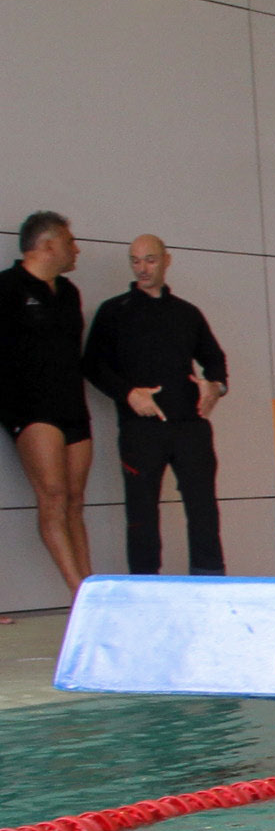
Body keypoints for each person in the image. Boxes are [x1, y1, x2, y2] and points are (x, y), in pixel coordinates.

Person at [85, 234, 229, 576]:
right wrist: (128, 394)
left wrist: (216, 387)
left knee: (204, 509)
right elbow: (92, 365)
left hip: (189, 424)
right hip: (141, 428)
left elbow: (215, 359)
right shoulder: (114, 311)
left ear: (167, 260)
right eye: (135, 261)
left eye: (150, 260)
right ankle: (145, 586)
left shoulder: (187, 313)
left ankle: (210, 584)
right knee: (141, 514)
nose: (142, 268)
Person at [0, 211, 93, 598]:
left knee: (74, 498)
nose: (76, 250)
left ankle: (92, 587)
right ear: (48, 244)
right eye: (70, 242)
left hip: (71, 403)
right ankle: (79, 594)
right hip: (30, 407)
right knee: (53, 495)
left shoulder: (69, 292)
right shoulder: (7, 288)